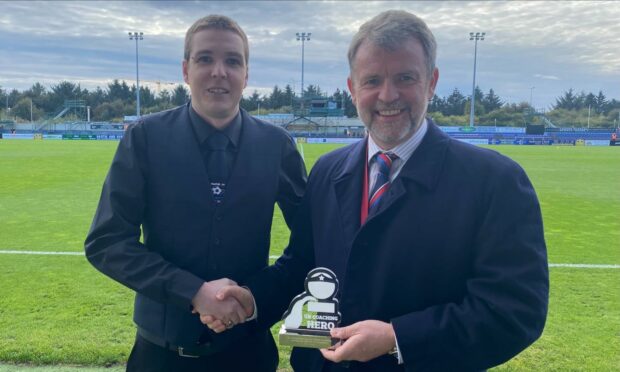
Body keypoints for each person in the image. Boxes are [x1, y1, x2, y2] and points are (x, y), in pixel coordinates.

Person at [208, 10, 549, 372]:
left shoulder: (494, 181)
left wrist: (396, 338)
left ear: (431, 82)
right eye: (372, 81)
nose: (388, 95)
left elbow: (515, 312)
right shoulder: (328, 171)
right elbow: (303, 267)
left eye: (405, 78)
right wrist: (253, 298)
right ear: (352, 88)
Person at [84, 14, 306, 372]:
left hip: (249, 354)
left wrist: (254, 298)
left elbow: (311, 243)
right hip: (160, 356)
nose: (219, 71)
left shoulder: (276, 146)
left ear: (246, 75)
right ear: (186, 70)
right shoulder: (145, 139)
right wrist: (192, 291)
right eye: (205, 59)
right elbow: (106, 241)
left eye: (233, 60)